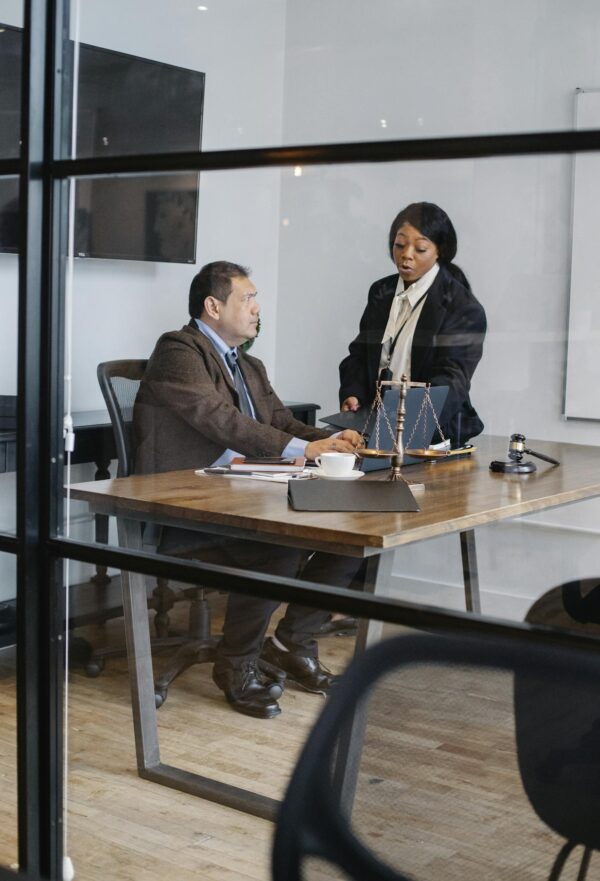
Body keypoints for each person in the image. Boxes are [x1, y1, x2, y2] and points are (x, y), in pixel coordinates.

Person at [134, 261, 364, 720]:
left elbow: (279, 422)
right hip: (184, 505)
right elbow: (222, 420)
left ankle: (290, 644)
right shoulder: (179, 349)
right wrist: (305, 447)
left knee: (351, 536)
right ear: (213, 306)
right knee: (275, 552)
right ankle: (235, 667)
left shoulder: (249, 364)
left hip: (240, 494)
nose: (258, 308)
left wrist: (329, 439)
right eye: (249, 298)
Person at [339, 202, 486, 446]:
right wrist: (352, 392)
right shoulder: (381, 291)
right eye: (399, 245)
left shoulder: (462, 306)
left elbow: (451, 382)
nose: (406, 254)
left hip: (431, 433)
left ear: (439, 251)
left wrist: (407, 426)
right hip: (373, 423)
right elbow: (360, 353)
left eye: (420, 248)